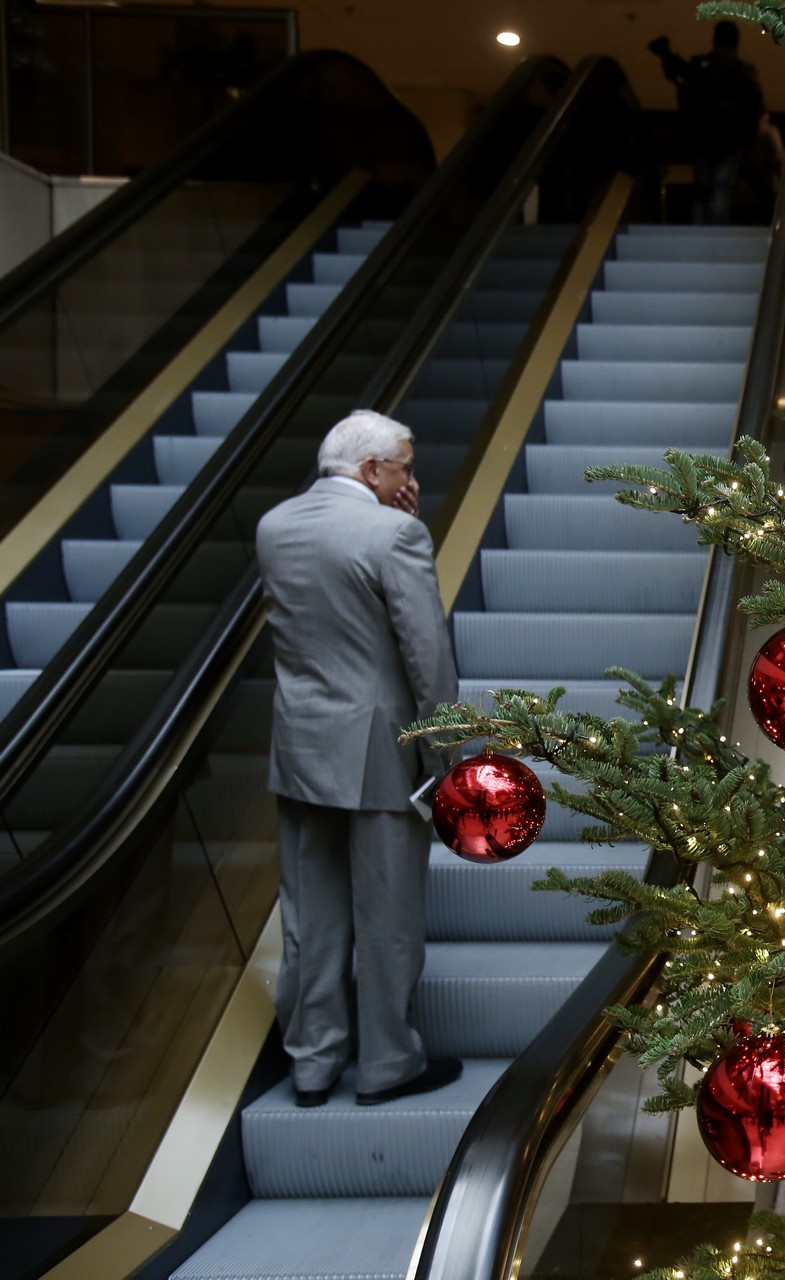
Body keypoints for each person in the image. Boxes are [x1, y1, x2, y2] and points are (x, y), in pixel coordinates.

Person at [254, 410, 460, 1107]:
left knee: (308, 916)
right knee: (387, 913)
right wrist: (443, 753)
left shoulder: (274, 526)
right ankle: (386, 1065)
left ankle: (311, 1063)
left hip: (301, 744)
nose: (412, 478)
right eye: (403, 465)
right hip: (378, 748)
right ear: (373, 472)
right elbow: (424, 655)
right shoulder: (396, 533)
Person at [649, 21, 765, 224]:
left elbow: (686, 96)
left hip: (701, 137)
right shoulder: (743, 72)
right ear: (736, 42)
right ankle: (716, 231)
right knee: (722, 187)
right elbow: (755, 104)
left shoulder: (700, 67)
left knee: (702, 190)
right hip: (731, 139)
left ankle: (700, 229)